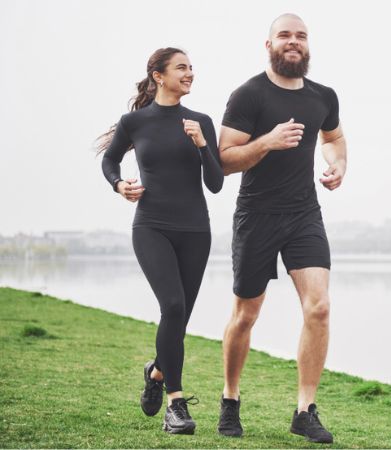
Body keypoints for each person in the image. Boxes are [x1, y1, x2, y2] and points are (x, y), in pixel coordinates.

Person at [216, 13, 347, 443]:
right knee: (245, 315)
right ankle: (230, 399)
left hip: (303, 214)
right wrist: (267, 142)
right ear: (269, 44)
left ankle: (305, 410)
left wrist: (337, 164)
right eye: (285, 35)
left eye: (301, 36)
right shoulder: (248, 95)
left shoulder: (323, 96)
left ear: (308, 46)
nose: (294, 42)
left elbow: (333, 138)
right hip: (256, 215)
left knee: (320, 307)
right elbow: (223, 159)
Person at [98, 47, 223, 435]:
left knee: (178, 318)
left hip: (196, 231)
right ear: (158, 75)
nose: (190, 73)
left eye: (191, 68)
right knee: (172, 304)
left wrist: (203, 144)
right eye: (182, 68)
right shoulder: (134, 122)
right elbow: (109, 160)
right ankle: (176, 405)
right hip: (151, 226)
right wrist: (119, 184)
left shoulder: (200, 121)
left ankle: (155, 373)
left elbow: (216, 184)